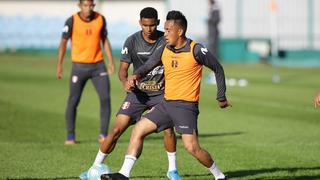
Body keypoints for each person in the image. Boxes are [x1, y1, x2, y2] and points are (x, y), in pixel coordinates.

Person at [102, 10, 230, 180]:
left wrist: (221, 97)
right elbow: (148, 65)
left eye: (169, 30)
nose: (166, 34)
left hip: (186, 107)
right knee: (138, 130)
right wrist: (136, 75)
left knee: (192, 148)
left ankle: (219, 176)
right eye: (165, 29)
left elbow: (218, 69)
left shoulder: (196, 50)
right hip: (166, 104)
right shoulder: (165, 48)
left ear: (180, 31)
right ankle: (124, 174)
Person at [79, 7, 181, 180]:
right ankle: (94, 167)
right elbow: (122, 70)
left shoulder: (166, 39)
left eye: (152, 25)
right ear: (140, 23)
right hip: (137, 94)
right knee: (117, 129)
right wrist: (125, 81)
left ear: (157, 23)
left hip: (161, 94)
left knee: (168, 131)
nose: (148, 29)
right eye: (145, 25)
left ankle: (172, 170)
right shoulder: (132, 41)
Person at [57, 0, 115, 145]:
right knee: (73, 101)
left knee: (105, 98)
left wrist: (111, 61)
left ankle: (103, 134)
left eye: (91, 5)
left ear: (93, 6)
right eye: (85, 5)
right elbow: (63, 43)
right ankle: (70, 136)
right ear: (79, 6)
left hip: (98, 66)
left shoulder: (100, 19)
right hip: (79, 67)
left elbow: (105, 40)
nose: (88, 8)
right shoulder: (71, 21)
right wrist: (59, 65)